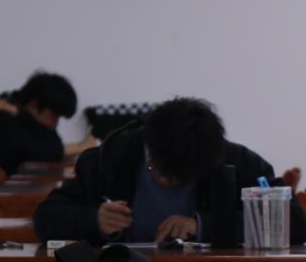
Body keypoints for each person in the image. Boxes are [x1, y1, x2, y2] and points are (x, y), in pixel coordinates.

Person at [33, 96, 306, 246]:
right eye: (155, 169)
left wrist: (203, 226)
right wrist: (94, 220)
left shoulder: (236, 163)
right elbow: (46, 218)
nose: (164, 181)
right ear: (148, 146)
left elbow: (296, 223)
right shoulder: (111, 159)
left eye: (179, 178)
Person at [0, 71, 95, 213]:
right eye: (54, 116)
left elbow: (52, 141)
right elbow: (43, 150)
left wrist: (17, 112)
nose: (55, 124)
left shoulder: (13, 111)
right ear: (34, 105)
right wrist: (80, 146)